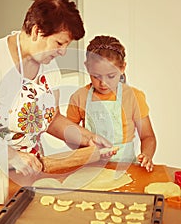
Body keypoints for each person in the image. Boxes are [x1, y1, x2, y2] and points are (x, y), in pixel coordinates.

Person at [0, 0, 114, 185]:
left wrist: (88, 138)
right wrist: (10, 155)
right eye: (59, 43)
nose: (62, 52)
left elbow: (52, 119)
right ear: (37, 31)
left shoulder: (49, 65)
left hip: (29, 164)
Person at [67, 35, 156, 172]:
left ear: (122, 68)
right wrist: (87, 150)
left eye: (111, 76)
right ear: (87, 68)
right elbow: (69, 134)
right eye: (96, 76)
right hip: (90, 169)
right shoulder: (79, 97)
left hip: (126, 168)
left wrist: (147, 155)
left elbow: (148, 136)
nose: (103, 83)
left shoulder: (133, 97)